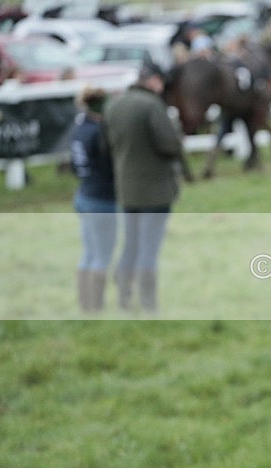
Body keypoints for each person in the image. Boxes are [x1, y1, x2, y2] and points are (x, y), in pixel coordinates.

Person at [103, 63, 184, 313]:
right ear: (154, 81)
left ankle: (124, 296)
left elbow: (107, 145)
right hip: (155, 190)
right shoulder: (151, 105)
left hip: (127, 188)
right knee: (149, 249)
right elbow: (170, 145)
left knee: (131, 244)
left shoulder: (114, 105)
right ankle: (149, 302)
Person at [70, 87, 117, 312]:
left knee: (89, 253)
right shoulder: (99, 132)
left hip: (84, 194)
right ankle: (95, 307)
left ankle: (85, 304)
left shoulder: (80, 128)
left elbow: (74, 165)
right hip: (102, 199)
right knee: (102, 256)